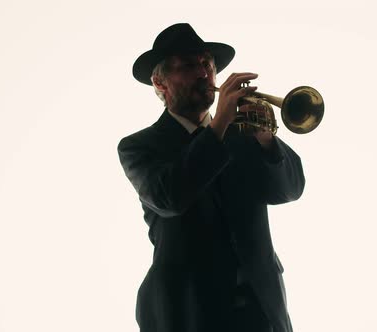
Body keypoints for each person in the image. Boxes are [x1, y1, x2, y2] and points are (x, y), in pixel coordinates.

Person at [117, 23, 305, 332]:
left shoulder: (242, 132)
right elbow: (170, 196)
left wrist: (266, 141)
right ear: (160, 83)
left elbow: (291, 189)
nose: (204, 74)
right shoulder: (139, 146)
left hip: (260, 312)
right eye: (189, 66)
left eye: (207, 64)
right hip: (187, 315)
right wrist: (219, 126)